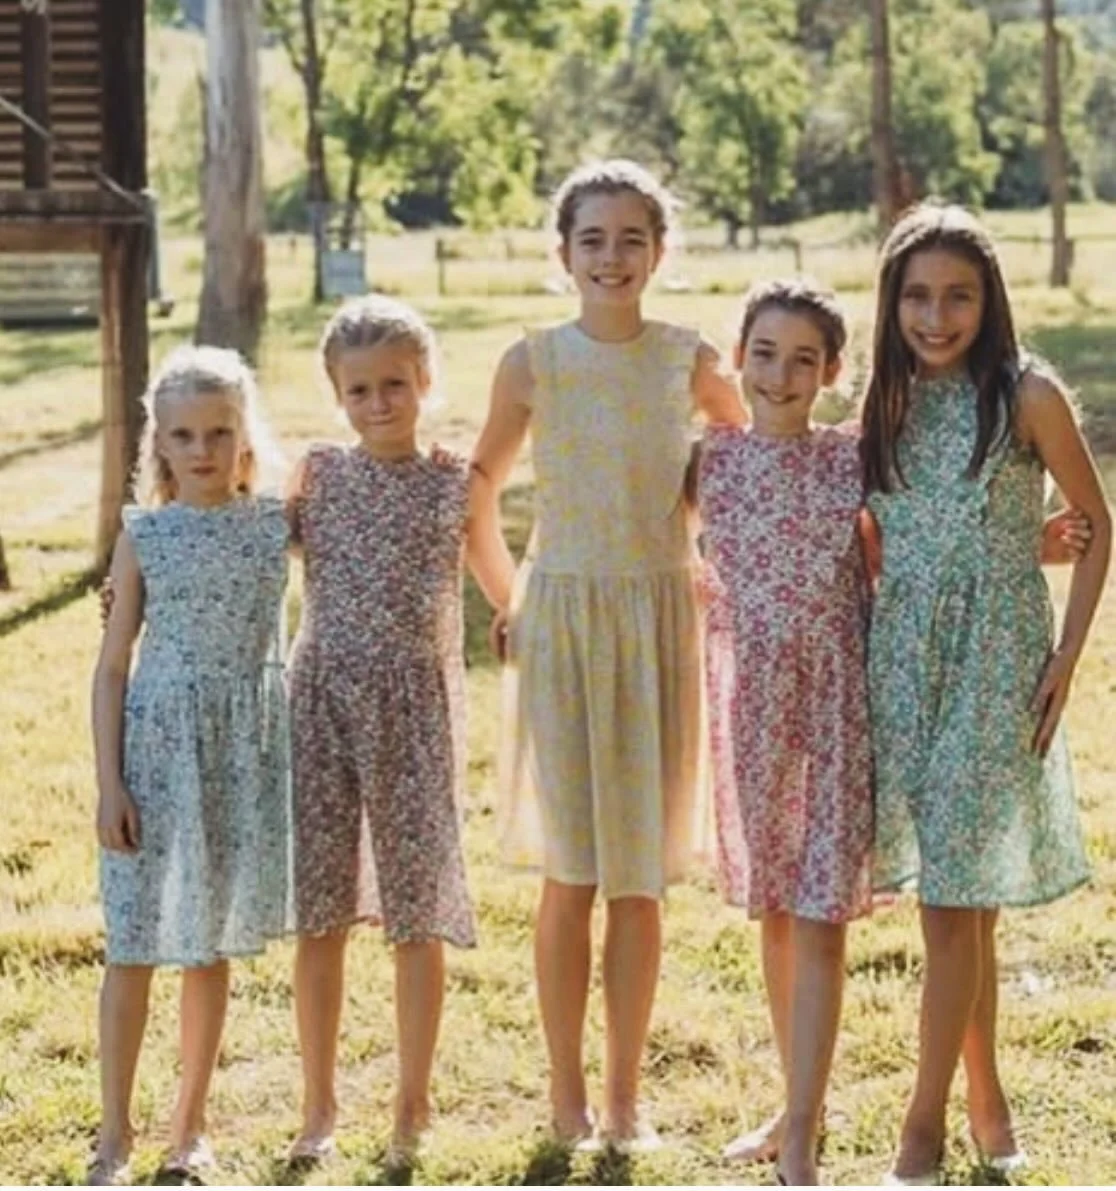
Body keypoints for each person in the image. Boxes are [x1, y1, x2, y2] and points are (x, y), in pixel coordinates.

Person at [472, 158, 746, 1151]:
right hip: (567, 625)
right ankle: (565, 1094)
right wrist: (517, 603)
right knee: (572, 874)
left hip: (658, 621)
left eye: (633, 238)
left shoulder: (691, 358)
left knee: (640, 877)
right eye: (593, 239)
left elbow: (743, 457)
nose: (613, 256)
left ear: (660, 251)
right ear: (564, 253)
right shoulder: (532, 361)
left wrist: (709, 550)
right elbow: (478, 491)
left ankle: (626, 1098)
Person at [862, 202, 1111, 1184]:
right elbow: (883, 536)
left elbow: (1096, 524)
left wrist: (1067, 662)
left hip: (999, 664)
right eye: (917, 296)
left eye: (957, 295)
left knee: (954, 904)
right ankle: (987, 1097)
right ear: (892, 304)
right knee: (967, 911)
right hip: (906, 666)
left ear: (988, 298)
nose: (935, 315)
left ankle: (920, 1131)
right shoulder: (880, 402)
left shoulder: (1028, 394)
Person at [287, 295, 514, 1166]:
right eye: (359, 390)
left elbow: (502, 582)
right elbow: (245, 554)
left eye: (395, 385)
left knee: (414, 914)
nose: (379, 403)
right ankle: (318, 1103)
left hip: (416, 713)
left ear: (425, 381)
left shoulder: (457, 482)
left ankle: (411, 1105)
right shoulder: (316, 475)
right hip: (320, 706)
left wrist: (533, 619)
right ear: (337, 395)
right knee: (321, 912)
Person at [89, 345, 291, 1185]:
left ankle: (190, 1127)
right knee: (133, 943)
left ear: (246, 435)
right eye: (183, 435)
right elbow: (111, 666)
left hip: (239, 756)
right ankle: (114, 1133)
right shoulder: (145, 535)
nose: (203, 449)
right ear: (159, 445)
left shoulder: (278, 523)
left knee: (206, 947)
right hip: (156, 752)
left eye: (219, 431)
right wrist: (110, 782)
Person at [698, 279, 873, 1185]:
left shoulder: (849, 458)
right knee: (774, 907)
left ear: (832, 371)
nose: (781, 373)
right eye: (765, 353)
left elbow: (896, 553)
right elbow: (654, 553)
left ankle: (802, 1132)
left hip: (836, 701)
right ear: (739, 358)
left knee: (821, 916)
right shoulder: (712, 460)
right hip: (752, 703)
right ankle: (793, 1099)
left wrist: (1037, 541)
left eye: (804, 358)